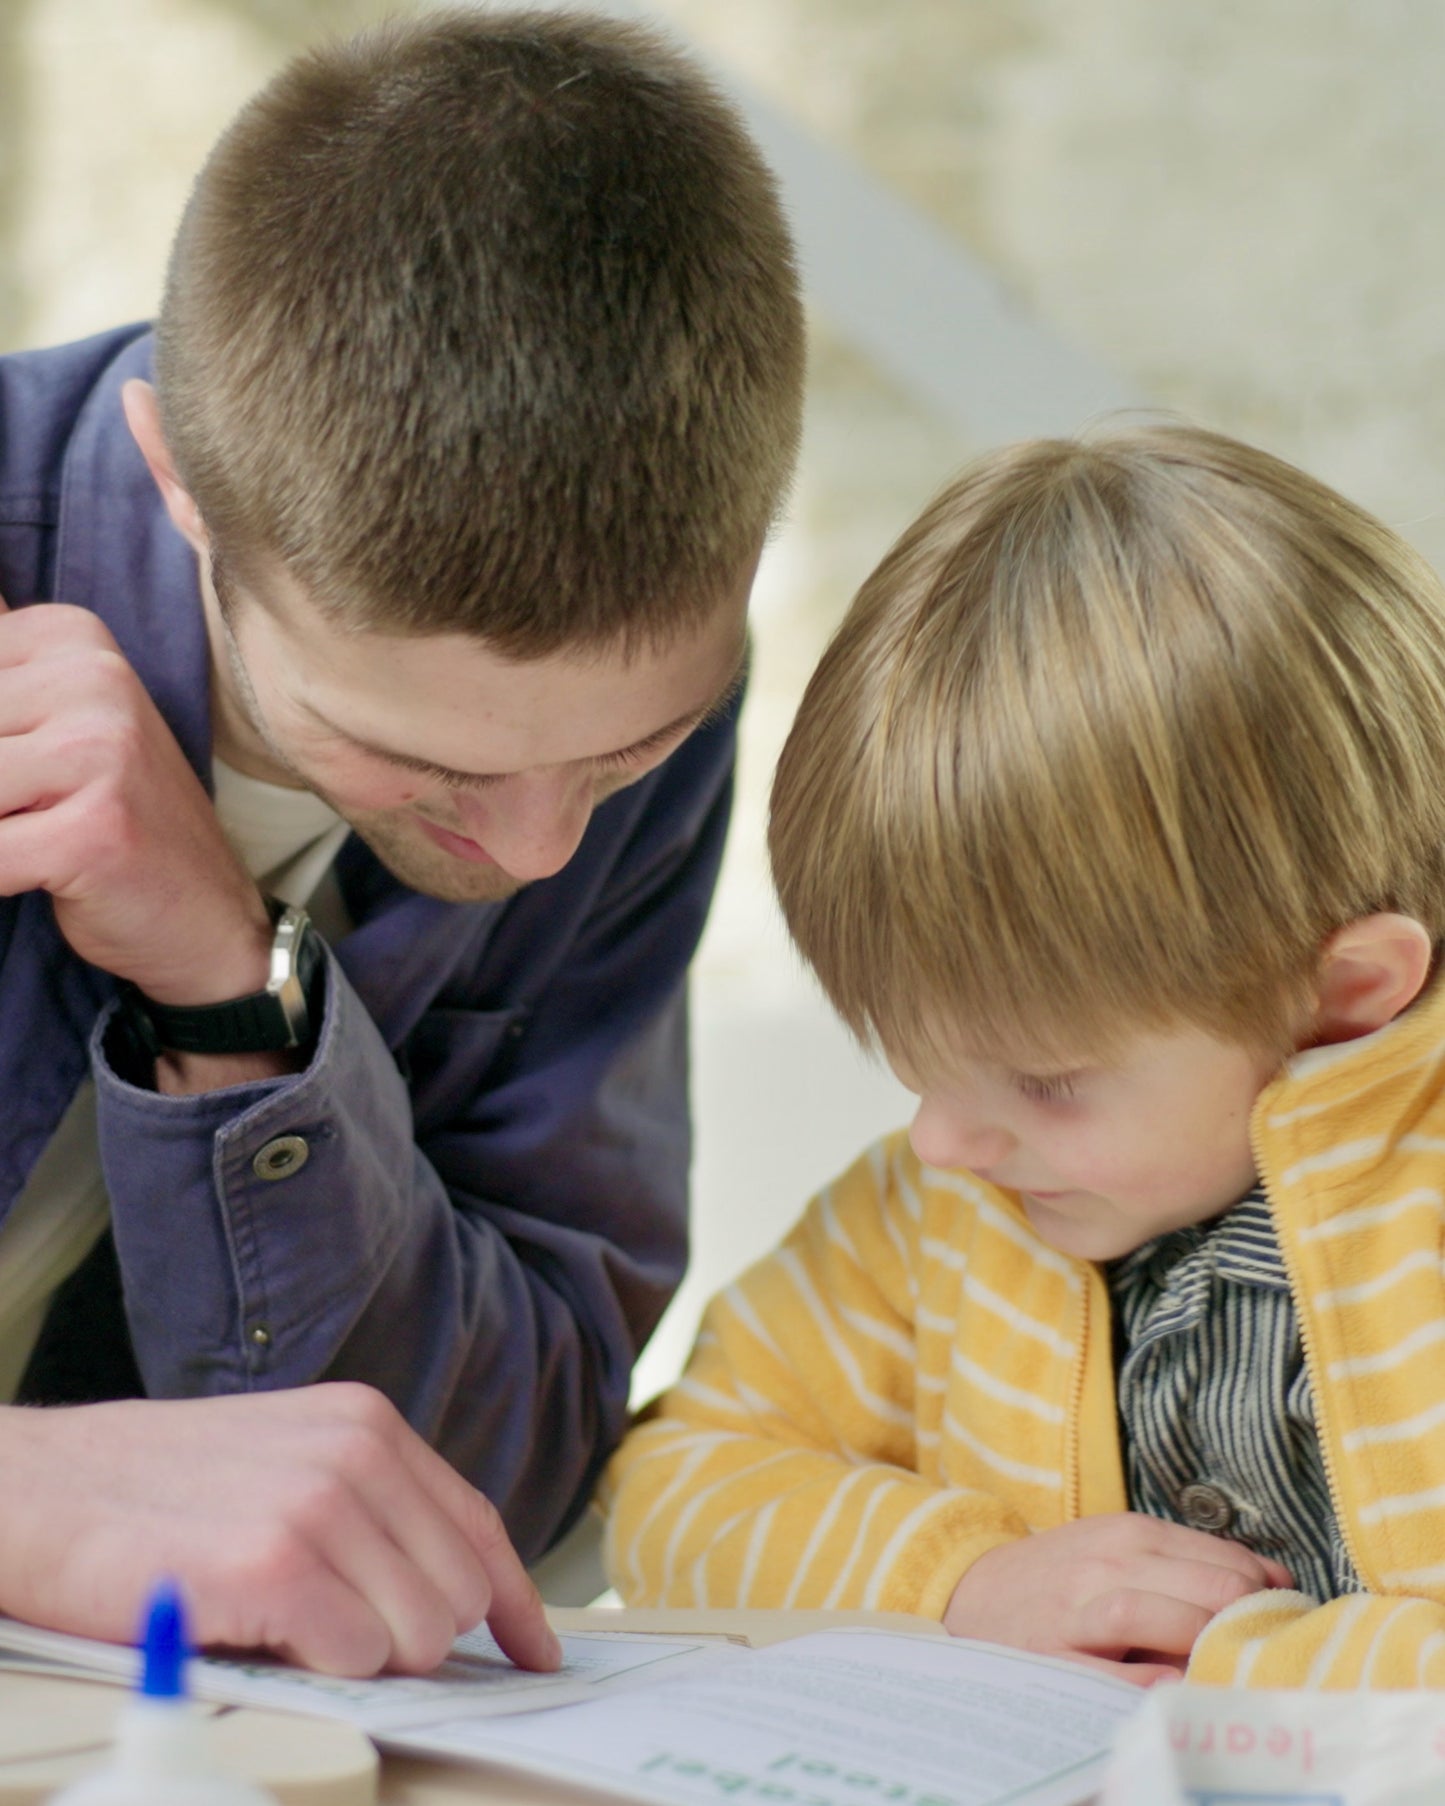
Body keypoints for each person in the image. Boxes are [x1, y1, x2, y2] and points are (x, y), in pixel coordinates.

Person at [0, 7, 804, 1675]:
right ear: (180, 480)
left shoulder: (606, 738)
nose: (532, 849)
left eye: (626, 748)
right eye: (411, 757)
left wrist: (231, 997)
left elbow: (501, 1485)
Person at [603, 423, 1445, 1689]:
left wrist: (1227, 1669)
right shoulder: (935, 1217)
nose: (943, 1139)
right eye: (923, 1063)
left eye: (1045, 1081)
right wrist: (960, 1581)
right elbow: (669, 1490)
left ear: (1341, 996)